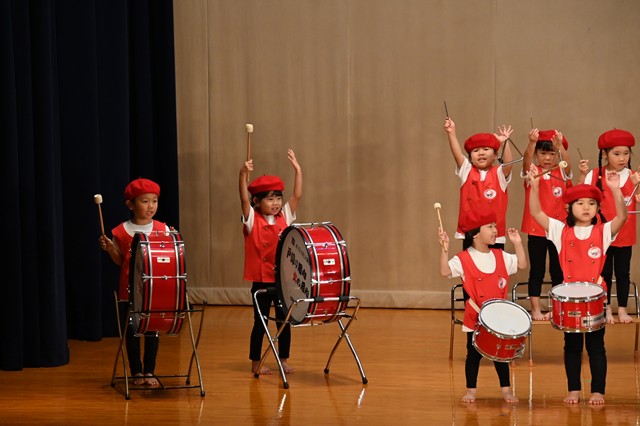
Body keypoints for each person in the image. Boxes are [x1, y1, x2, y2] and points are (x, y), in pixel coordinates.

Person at [528, 166, 628, 405]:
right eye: (580, 203)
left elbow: (622, 217)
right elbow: (536, 212)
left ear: (598, 208)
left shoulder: (603, 231)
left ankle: (597, 391)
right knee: (571, 346)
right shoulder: (560, 230)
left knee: (596, 347)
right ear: (569, 208)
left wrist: (616, 190)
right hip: (570, 299)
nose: (586, 208)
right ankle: (573, 389)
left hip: (595, 298)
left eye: (592, 204)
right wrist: (534, 187)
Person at [438, 209, 527, 404]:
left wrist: (518, 243)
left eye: (495, 226)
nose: (495, 230)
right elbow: (445, 271)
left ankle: (506, 391)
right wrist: (444, 249)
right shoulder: (463, 258)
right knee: (473, 354)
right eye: (490, 227)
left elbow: (521, 264)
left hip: (499, 317)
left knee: (500, 355)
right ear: (476, 234)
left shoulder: (501, 255)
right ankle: (471, 391)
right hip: (476, 317)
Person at [99, 178, 169, 386]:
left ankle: (150, 371)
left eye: (154, 201)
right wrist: (110, 249)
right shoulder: (120, 231)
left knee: (152, 331)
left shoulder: (163, 229)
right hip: (129, 289)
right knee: (132, 331)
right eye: (145, 201)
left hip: (153, 290)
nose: (151, 206)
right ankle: (137, 371)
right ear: (130, 204)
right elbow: (120, 261)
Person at [239, 149, 302, 375]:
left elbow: (297, 196)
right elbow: (243, 198)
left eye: (278, 198)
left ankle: (283, 359)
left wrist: (298, 170)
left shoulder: (285, 215)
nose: (276, 203)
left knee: (284, 322)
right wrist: (242, 174)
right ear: (257, 201)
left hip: (282, 280)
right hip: (261, 281)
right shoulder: (251, 219)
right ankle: (256, 362)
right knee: (260, 323)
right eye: (270, 198)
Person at [578, 129, 639, 324]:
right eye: (616, 154)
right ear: (605, 154)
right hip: (601, 233)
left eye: (626, 153)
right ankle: (605, 308)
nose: (622, 158)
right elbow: (582, 200)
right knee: (602, 273)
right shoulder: (595, 174)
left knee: (623, 272)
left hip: (625, 232)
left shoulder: (634, 176)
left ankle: (622, 309)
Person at [521, 129, 572, 320]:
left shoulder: (562, 171)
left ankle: (558, 308)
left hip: (559, 229)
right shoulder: (533, 171)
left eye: (552, 153)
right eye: (543, 153)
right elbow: (526, 161)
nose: (548, 158)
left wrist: (561, 147)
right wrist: (531, 143)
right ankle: (535, 309)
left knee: (558, 270)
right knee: (537, 270)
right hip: (536, 229)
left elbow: (568, 165)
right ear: (537, 154)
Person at [444, 117, 514, 250]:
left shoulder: (499, 173)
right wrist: (451, 133)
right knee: (470, 263)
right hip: (471, 232)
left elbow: (509, 164)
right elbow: (457, 154)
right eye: (475, 151)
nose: (481, 153)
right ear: (470, 158)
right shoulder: (467, 171)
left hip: (495, 234)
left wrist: (504, 142)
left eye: (486, 149)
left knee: (495, 263)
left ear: (495, 155)